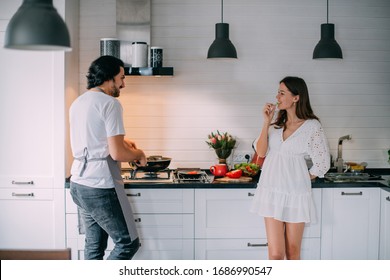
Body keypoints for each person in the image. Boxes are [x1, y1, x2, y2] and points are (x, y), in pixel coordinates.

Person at [69, 55, 147, 260]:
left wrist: (124, 141)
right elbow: (117, 154)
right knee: (128, 244)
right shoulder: (109, 103)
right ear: (109, 77)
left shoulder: (78, 102)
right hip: (99, 186)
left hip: (78, 183)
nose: (123, 84)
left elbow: (94, 139)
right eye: (121, 77)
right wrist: (138, 154)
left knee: (94, 246)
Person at [250, 76, 330, 260]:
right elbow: (261, 152)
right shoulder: (275, 125)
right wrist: (265, 121)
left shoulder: (312, 126)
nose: (277, 96)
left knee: (293, 253)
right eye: (278, 92)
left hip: (296, 194)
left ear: (296, 97)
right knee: (276, 254)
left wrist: (301, 178)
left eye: (282, 93)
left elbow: (323, 163)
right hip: (271, 192)